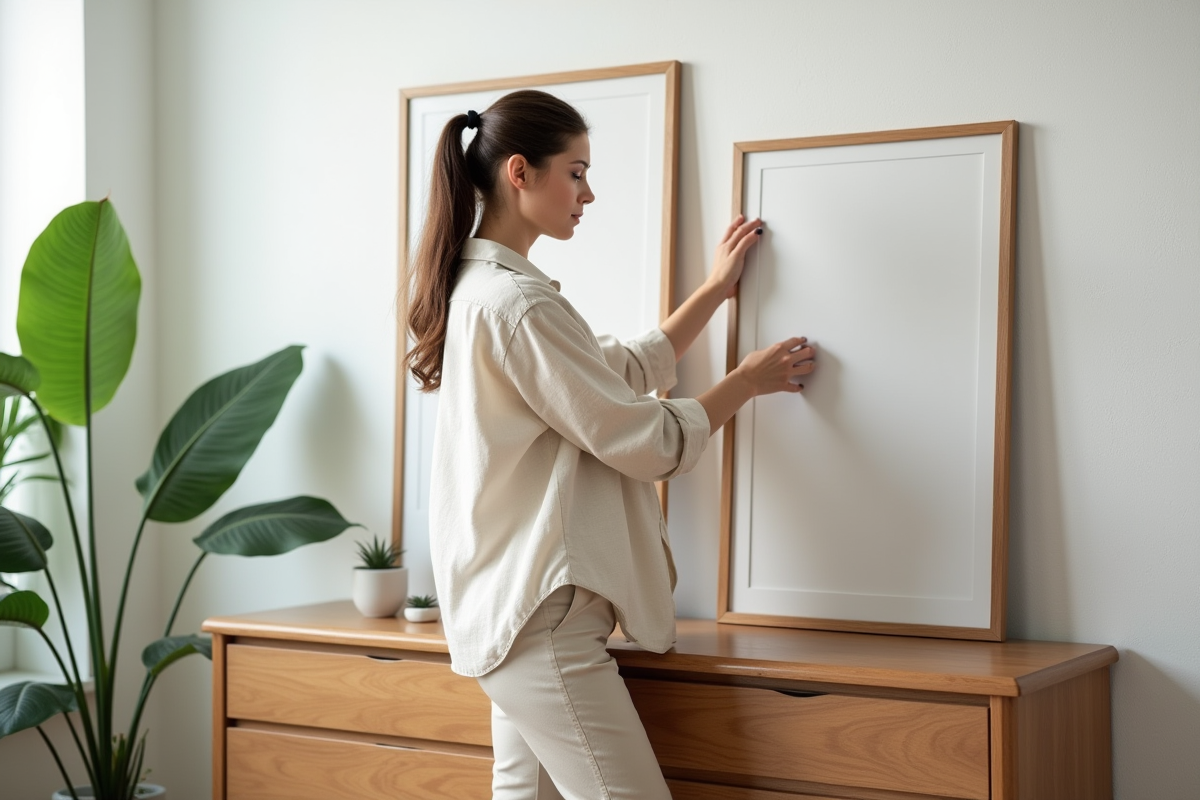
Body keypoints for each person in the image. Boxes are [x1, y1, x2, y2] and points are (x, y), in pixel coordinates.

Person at [405, 90, 815, 800]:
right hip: (541, 621)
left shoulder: (484, 290)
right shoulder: (518, 304)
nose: (588, 193)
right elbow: (642, 438)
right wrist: (744, 383)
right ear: (520, 173)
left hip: (510, 613)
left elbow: (612, 374)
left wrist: (715, 293)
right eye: (576, 171)